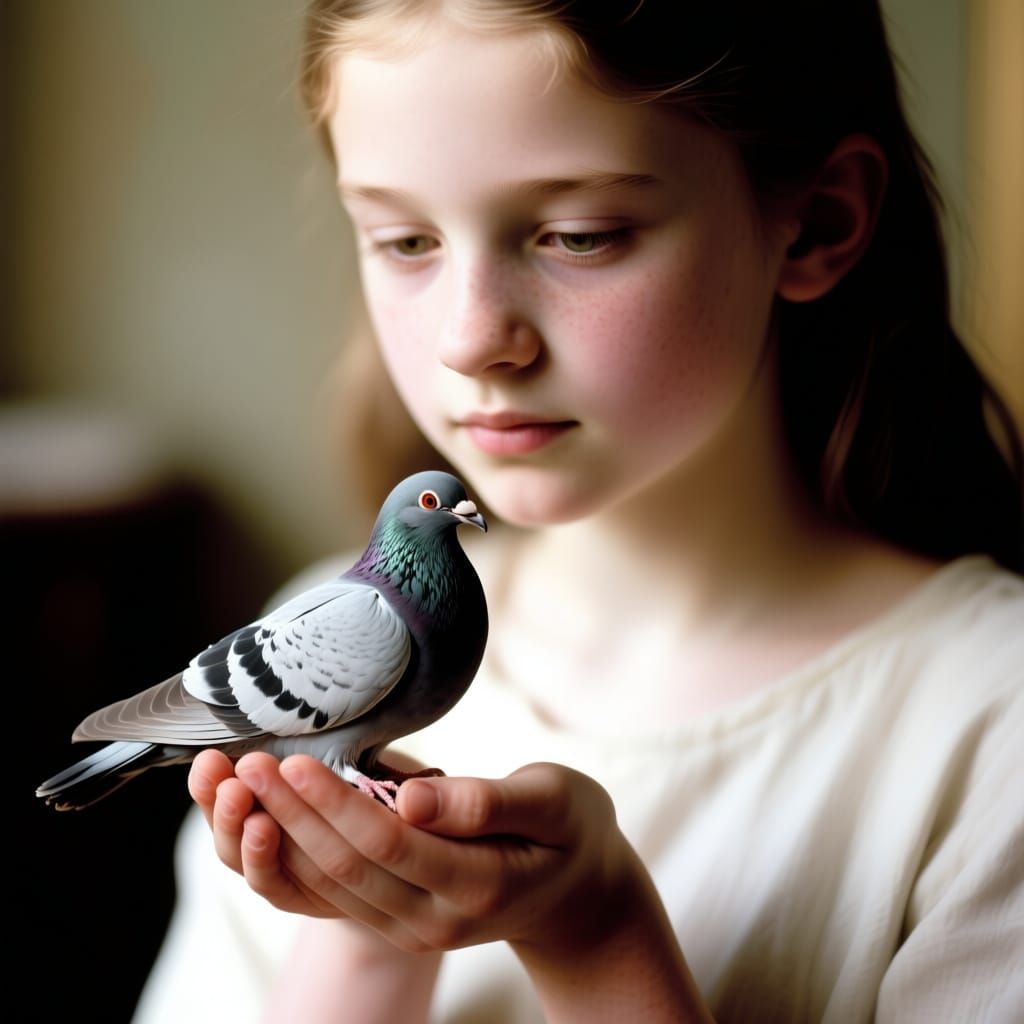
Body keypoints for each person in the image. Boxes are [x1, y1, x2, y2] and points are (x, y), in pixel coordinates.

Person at [133, 1, 1024, 1021]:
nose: (471, 339)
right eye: (405, 238)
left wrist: (593, 935)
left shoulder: (993, 733)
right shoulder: (317, 626)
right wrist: (374, 929)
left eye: (580, 234)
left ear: (816, 222)